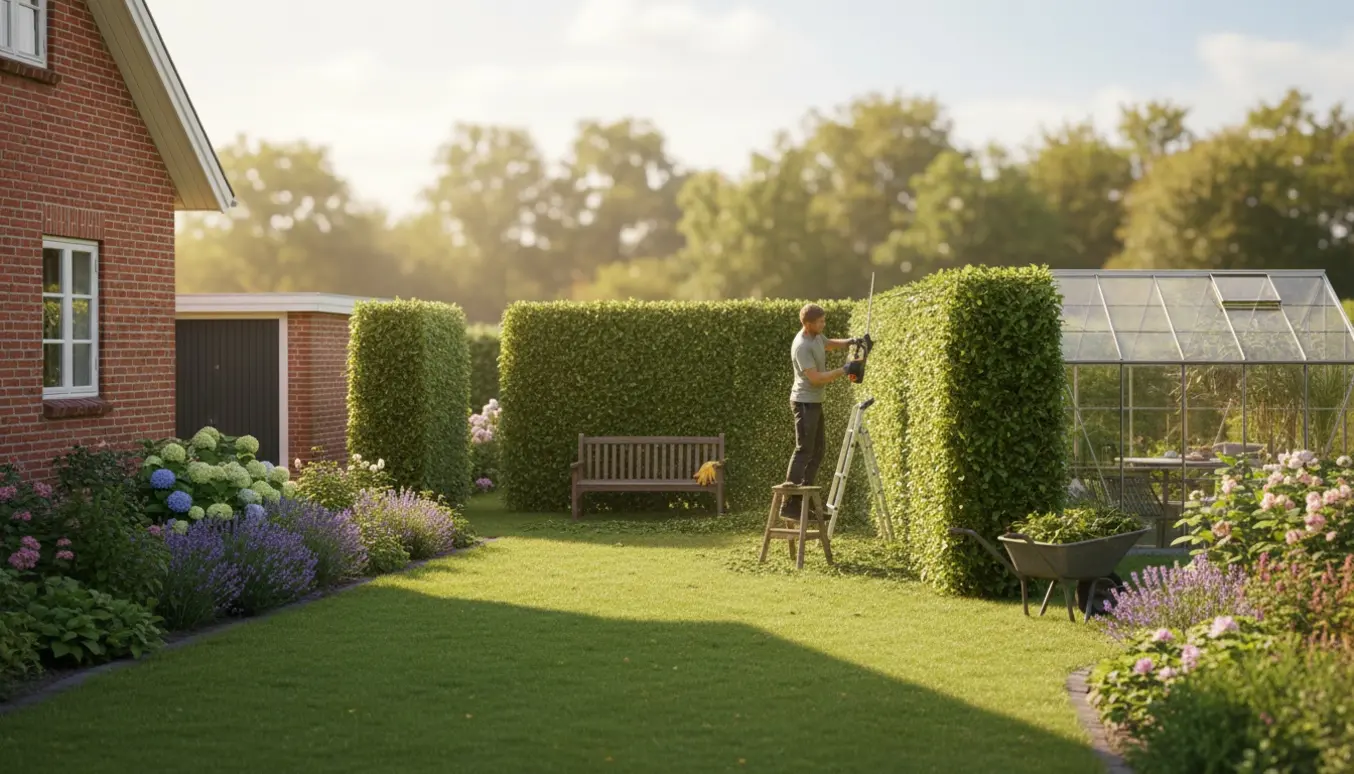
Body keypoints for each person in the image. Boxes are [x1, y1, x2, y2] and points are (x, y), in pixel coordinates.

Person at [782, 303, 863, 517]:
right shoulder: (801, 346)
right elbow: (816, 379)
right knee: (804, 450)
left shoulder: (816, 337)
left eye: (823, 320)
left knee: (818, 451)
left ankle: (804, 503)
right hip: (804, 403)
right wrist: (844, 369)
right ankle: (790, 505)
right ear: (808, 324)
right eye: (820, 322)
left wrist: (851, 342)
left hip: (815, 403)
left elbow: (827, 344)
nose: (823, 324)